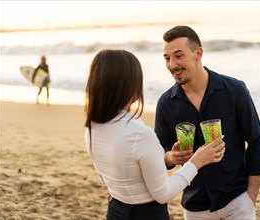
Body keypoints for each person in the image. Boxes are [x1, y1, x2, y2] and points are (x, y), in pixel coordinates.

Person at [84, 49, 226, 220]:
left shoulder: (92, 128)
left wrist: (168, 159)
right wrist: (197, 161)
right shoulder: (140, 134)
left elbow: (118, 171)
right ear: (130, 85)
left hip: (115, 210)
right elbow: (163, 193)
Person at [155, 25, 260, 220]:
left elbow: (257, 142)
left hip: (237, 200)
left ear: (198, 53)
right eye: (167, 58)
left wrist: (250, 198)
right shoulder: (166, 103)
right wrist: (170, 158)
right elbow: (158, 153)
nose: (172, 64)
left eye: (178, 56)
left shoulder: (234, 90)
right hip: (195, 207)